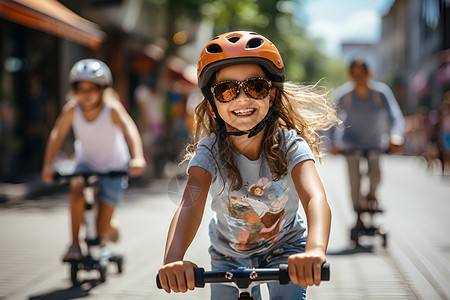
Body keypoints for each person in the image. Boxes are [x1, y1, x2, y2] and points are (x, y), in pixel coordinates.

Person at [157, 31, 339, 299]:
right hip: (228, 255)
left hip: (286, 249)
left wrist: (314, 249)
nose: (241, 98)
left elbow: (315, 197)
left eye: (255, 87)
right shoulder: (209, 152)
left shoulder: (290, 145)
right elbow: (190, 205)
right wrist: (173, 260)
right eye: (226, 90)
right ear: (211, 105)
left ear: (272, 96)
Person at [41, 59, 146, 261]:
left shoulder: (111, 108)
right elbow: (57, 134)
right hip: (86, 164)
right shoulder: (72, 109)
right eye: (81, 88)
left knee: (100, 231)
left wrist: (137, 158)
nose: (86, 94)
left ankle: (110, 228)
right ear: (74, 90)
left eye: (93, 88)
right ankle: (73, 244)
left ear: (103, 89)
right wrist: (48, 164)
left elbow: (130, 129)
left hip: (113, 167)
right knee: (77, 189)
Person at [329, 59, 405, 227]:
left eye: (362, 73)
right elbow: (331, 119)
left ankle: (371, 195)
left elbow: (394, 115)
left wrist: (396, 135)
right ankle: (357, 212)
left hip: (375, 143)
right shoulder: (344, 95)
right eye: (354, 74)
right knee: (354, 179)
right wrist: (332, 142)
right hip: (351, 143)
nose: (359, 78)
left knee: (375, 174)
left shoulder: (380, 93)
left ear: (368, 73)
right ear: (350, 75)